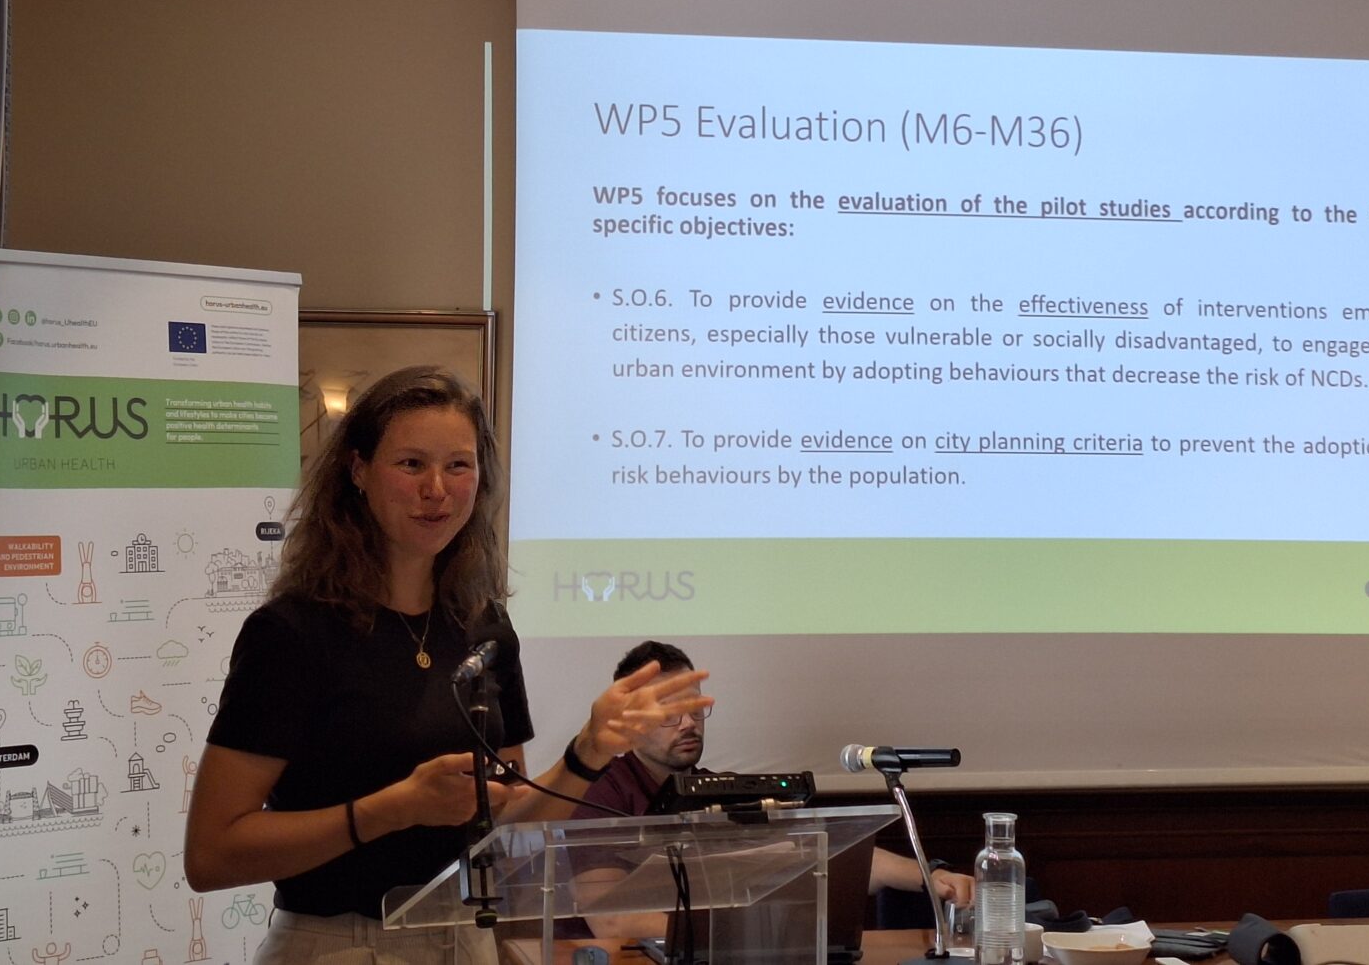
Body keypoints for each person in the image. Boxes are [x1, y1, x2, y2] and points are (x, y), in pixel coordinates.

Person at [182, 366, 709, 964]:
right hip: (341, 945)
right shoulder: (292, 634)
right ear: (358, 470)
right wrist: (394, 808)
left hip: (464, 938)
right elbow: (211, 855)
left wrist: (587, 752)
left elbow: (505, 830)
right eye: (411, 464)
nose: (437, 489)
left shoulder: (484, 628)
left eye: (458, 465)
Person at [574, 640, 972, 933]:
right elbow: (611, 922)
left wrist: (932, 877)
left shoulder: (714, 790)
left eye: (695, 709)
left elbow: (820, 854)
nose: (689, 724)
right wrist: (740, 933)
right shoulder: (598, 792)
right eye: (670, 713)